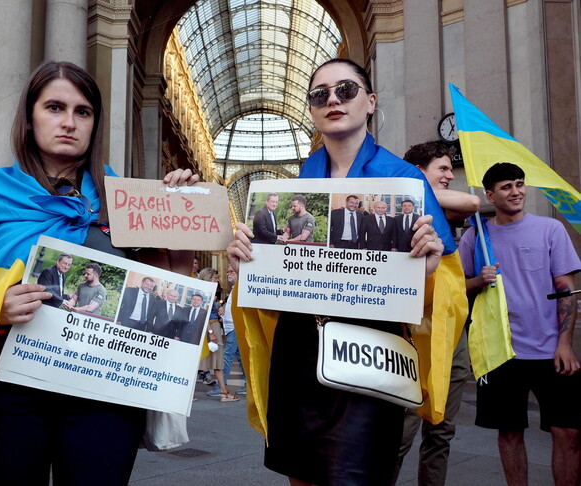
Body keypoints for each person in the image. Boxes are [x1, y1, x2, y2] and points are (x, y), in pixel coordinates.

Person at [0, 61, 198, 486]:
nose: (69, 122)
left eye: (83, 111)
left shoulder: (125, 198)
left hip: (105, 394)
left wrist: (184, 213)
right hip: (13, 392)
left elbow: (169, 285)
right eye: (54, 107)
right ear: (30, 117)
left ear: (94, 123)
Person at [226, 58, 467, 485]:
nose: (333, 100)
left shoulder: (405, 179)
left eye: (346, 90)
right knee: (298, 473)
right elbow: (277, 279)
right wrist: (245, 263)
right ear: (313, 109)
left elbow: (446, 287)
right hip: (299, 349)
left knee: (358, 474)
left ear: (370, 101)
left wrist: (428, 270)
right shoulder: (295, 183)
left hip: (368, 352)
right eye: (320, 94)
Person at [459, 162, 581, 486]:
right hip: (501, 351)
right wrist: (476, 281)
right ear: (489, 194)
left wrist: (565, 343)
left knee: (568, 430)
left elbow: (566, 290)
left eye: (519, 184)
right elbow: (453, 290)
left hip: (550, 349)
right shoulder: (476, 236)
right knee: (509, 432)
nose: (516, 192)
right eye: (506, 187)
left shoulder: (549, 229)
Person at [392, 140, 481, 485]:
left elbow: (469, 204)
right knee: (401, 432)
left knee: (441, 433)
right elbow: (472, 200)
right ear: (417, 172)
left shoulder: (433, 203)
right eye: (442, 169)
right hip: (415, 332)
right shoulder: (400, 205)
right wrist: (411, 188)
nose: (449, 175)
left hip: (452, 333)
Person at [404, 141, 480, 222]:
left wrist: (418, 193)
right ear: (419, 170)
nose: (451, 176)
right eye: (443, 169)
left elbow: (473, 202)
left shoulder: (445, 208)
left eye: (450, 170)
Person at [197, 268, 239, 402]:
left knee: (218, 362)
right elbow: (203, 314)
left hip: (213, 327)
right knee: (207, 362)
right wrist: (211, 333)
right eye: (214, 278)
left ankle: (223, 391)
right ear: (207, 279)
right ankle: (223, 392)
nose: (217, 280)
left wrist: (220, 309)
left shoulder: (210, 293)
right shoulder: (205, 293)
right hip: (210, 328)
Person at [219, 264, 246, 395]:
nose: (228, 273)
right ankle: (248, 384)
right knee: (240, 357)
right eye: (227, 271)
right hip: (231, 326)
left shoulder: (241, 288)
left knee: (227, 355)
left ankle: (221, 386)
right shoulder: (235, 288)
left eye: (231, 271)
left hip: (234, 326)